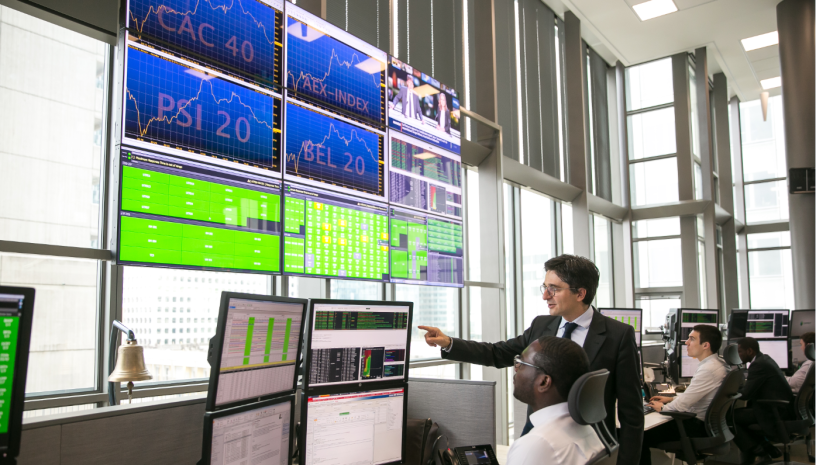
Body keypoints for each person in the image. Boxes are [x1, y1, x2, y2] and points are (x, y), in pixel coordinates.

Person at [419, 254, 644, 464]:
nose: (545, 295)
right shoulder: (541, 325)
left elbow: (631, 412)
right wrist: (449, 343)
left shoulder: (618, 335)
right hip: (538, 439)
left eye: (553, 289)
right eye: (545, 287)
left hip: (585, 446)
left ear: (580, 293)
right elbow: (498, 353)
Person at [507, 336, 605, 465]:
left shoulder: (535, 445)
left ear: (543, 382)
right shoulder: (586, 430)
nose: (516, 368)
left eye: (522, 363)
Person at [640, 325, 729, 464]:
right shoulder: (717, 363)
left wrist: (662, 408)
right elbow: (694, 396)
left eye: (691, 339)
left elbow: (681, 406)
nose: (686, 342)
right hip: (705, 424)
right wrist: (671, 399)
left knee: (638, 435)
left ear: (705, 345)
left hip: (695, 427)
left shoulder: (708, 369)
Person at [733, 337, 794, 465]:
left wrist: (728, 388)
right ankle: (763, 447)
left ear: (749, 351)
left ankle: (760, 450)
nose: (738, 355)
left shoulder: (758, 365)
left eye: (740, 352)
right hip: (779, 408)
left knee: (729, 418)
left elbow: (746, 394)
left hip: (774, 412)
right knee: (738, 419)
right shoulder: (765, 359)